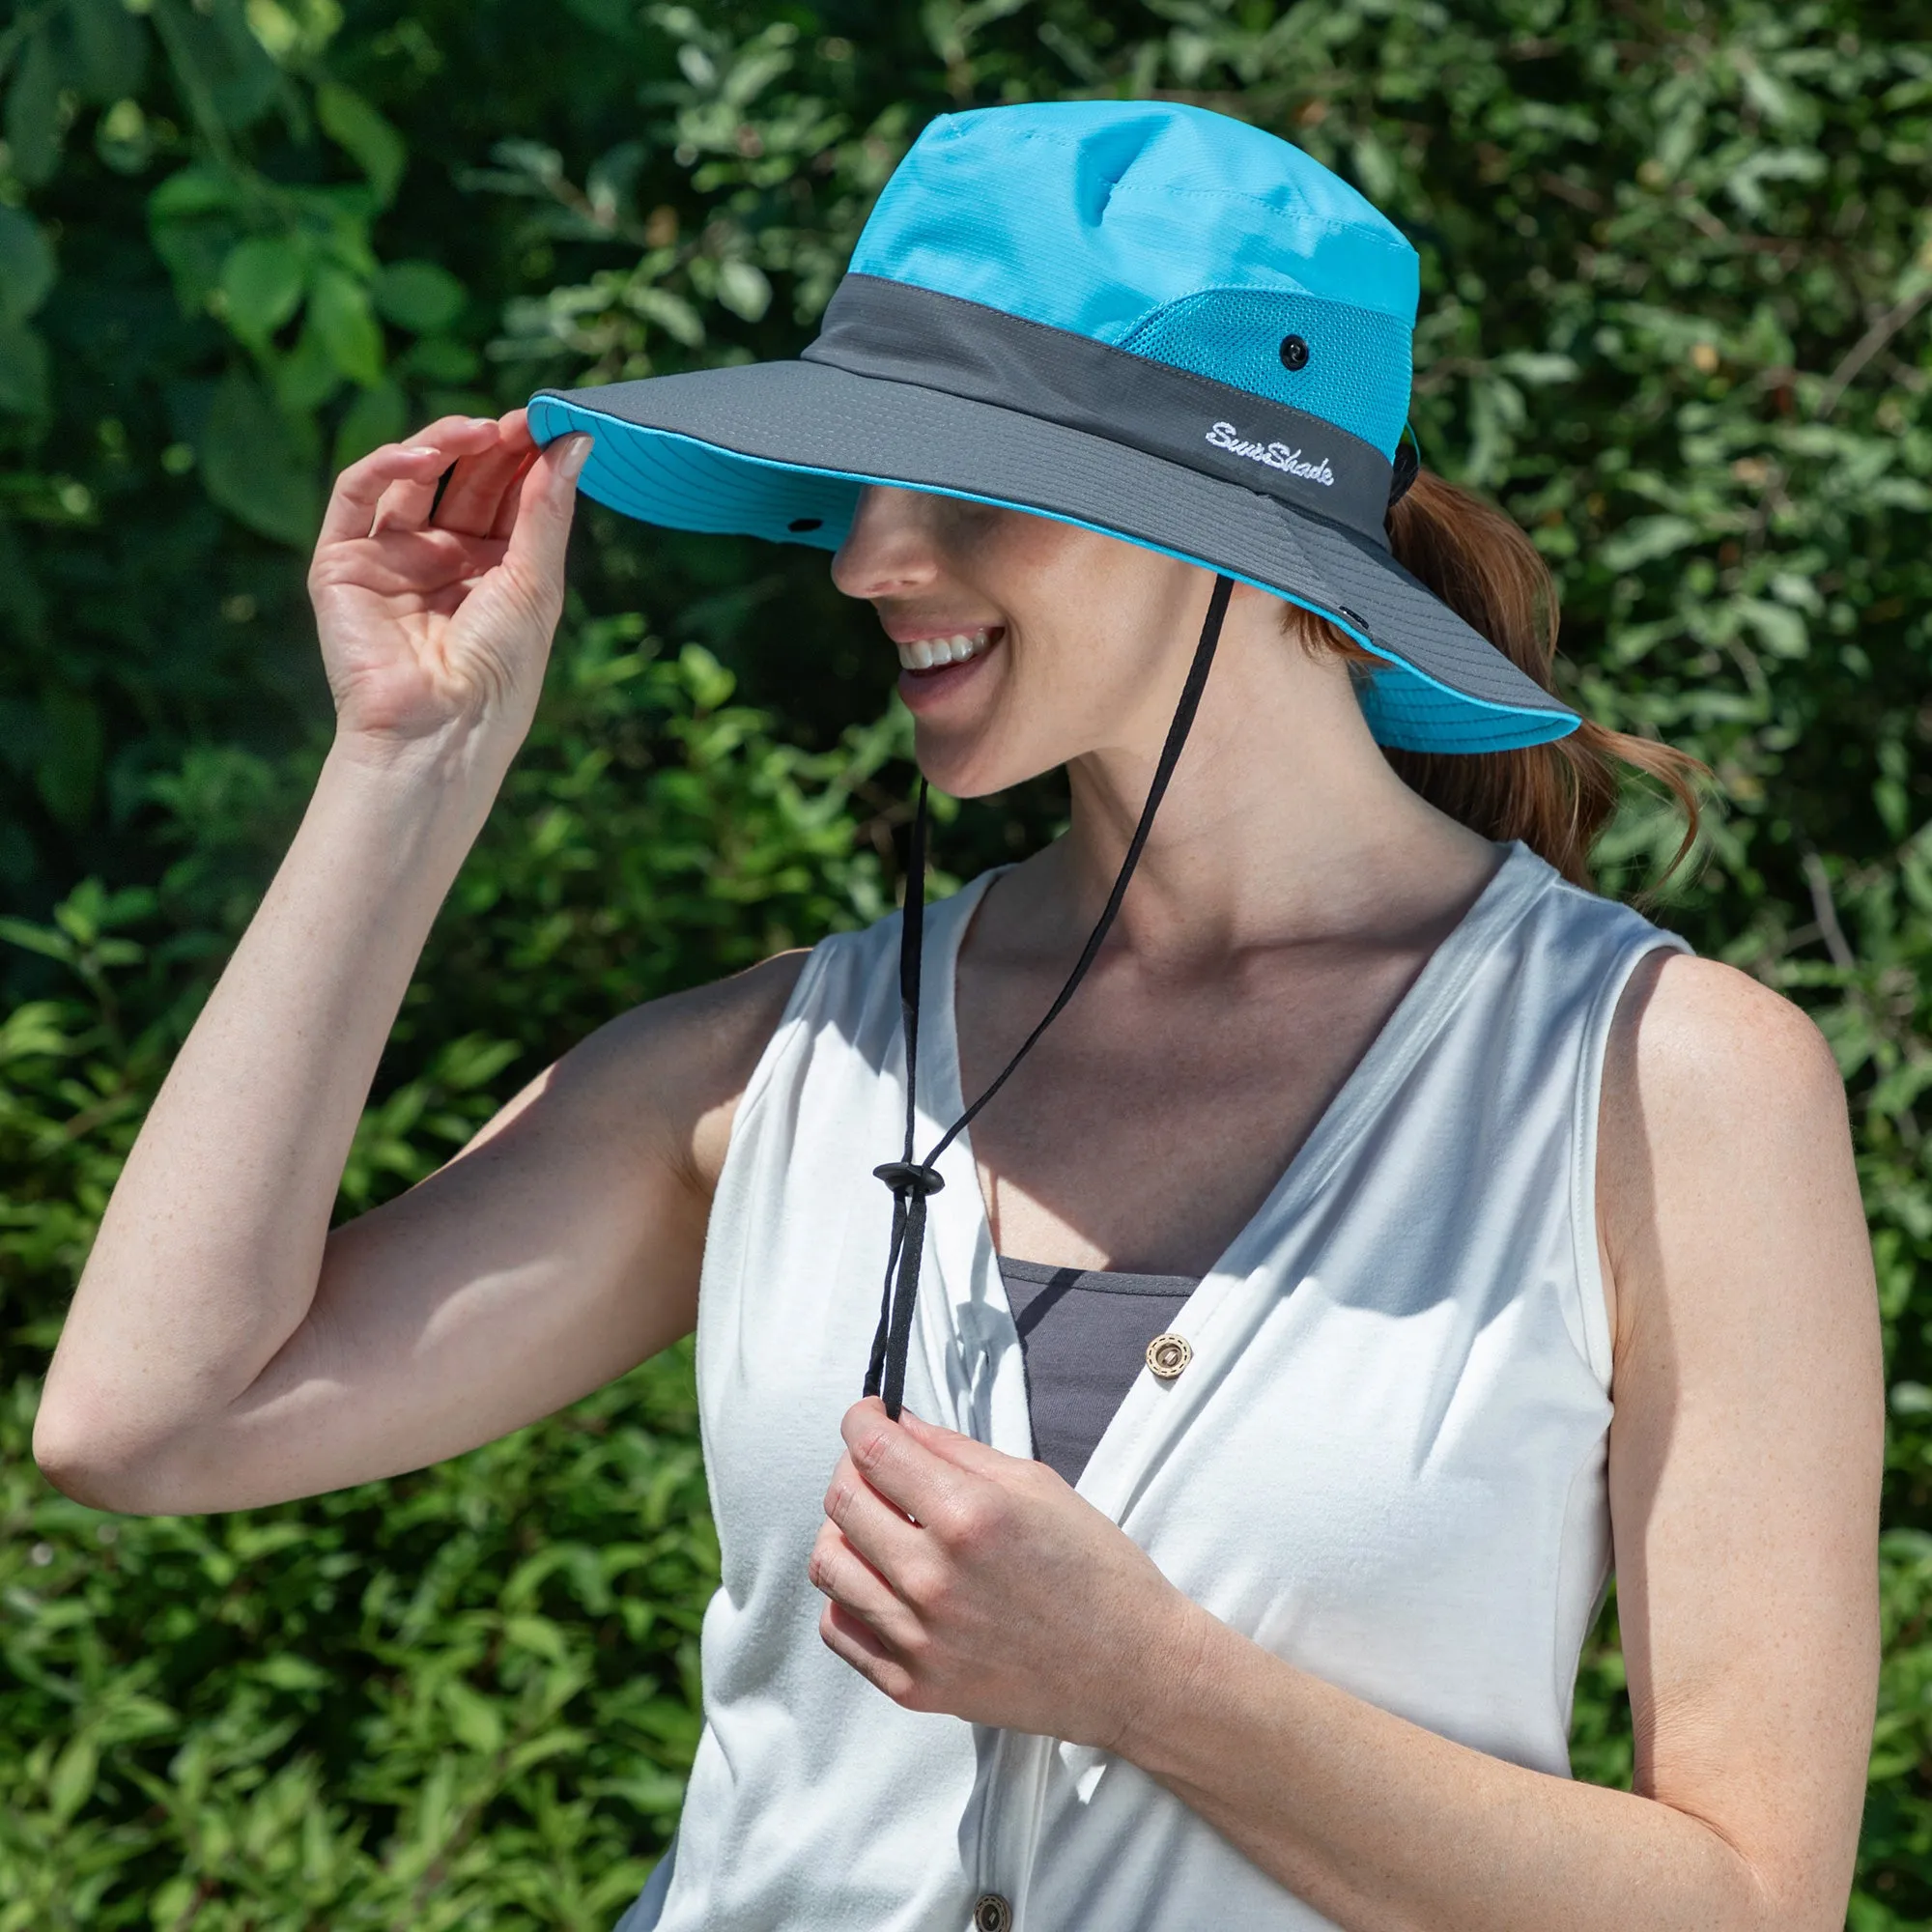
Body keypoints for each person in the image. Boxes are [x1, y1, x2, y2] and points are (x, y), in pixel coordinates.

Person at [36, 99, 1880, 1932]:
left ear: (1232, 517)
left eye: (966, 483)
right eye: (856, 480)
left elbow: (1751, 1901)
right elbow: (152, 1420)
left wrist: (1155, 1685)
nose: (862, 559)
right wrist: (406, 766)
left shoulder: (1662, 1084)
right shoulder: (779, 1064)